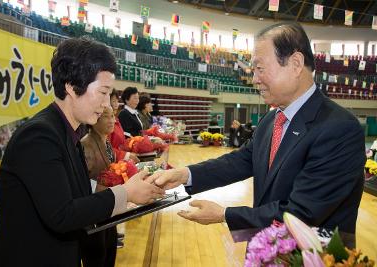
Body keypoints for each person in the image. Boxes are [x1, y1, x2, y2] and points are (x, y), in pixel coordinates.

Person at [147, 22, 365, 248]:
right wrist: (186, 175)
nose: (254, 79)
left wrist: (225, 214)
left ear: (296, 63)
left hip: (313, 257)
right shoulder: (272, 119)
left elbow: (301, 215)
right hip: (268, 250)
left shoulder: (339, 129)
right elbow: (242, 160)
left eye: (260, 69)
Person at [0, 37, 164, 266]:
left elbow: (80, 201)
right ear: (71, 86)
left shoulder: (69, 134)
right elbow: (62, 214)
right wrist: (126, 193)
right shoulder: (39, 136)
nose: (107, 105)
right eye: (102, 93)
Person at [80, 106, 118, 267]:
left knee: (110, 253)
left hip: (109, 209)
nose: (112, 121)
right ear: (94, 119)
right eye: (107, 117)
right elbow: (80, 183)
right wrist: (100, 186)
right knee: (97, 258)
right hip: (93, 214)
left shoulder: (106, 141)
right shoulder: (85, 144)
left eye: (113, 116)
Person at [108, 89, 140, 163]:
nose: (117, 104)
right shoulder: (106, 122)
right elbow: (106, 148)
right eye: (113, 101)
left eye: (117, 101)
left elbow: (122, 141)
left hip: (121, 159)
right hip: (114, 162)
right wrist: (126, 155)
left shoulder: (116, 119)